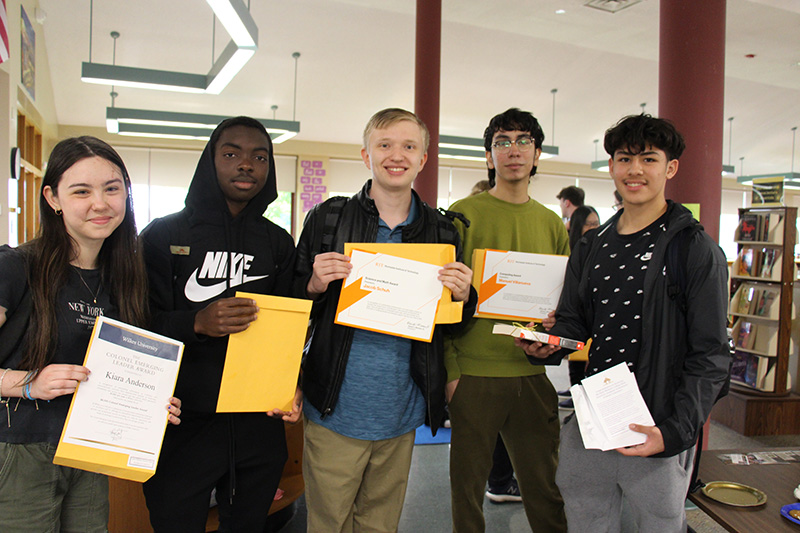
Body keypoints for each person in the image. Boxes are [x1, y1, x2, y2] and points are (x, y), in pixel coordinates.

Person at [520, 114, 730, 531]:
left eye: (649, 159)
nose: (635, 170)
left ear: (670, 168)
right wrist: (547, 343)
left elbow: (711, 356)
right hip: (593, 417)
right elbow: (575, 325)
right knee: (585, 519)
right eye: (624, 158)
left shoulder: (694, 249)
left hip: (657, 422)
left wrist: (673, 433)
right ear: (612, 167)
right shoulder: (591, 245)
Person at [292, 108, 476, 532]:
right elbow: (293, 301)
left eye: (409, 146)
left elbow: (453, 323)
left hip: (401, 408)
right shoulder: (329, 218)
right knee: (328, 523)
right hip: (334, 406)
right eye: (385, 144)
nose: (397, 155)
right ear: (365, 154)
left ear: (424, 158)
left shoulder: (443, 231)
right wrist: (314, 285)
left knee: (380, 525)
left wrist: (465, 297)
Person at [0, 136, 181, 532]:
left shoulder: (124, 279)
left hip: (90, 450)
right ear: (53, 198)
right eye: (81, 191)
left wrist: (151, 404)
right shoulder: (14, 268)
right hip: (18, 450)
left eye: (112, 189)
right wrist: (28, 383)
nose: (100, 203)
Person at [140, 117, 298, 532]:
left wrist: (291, 384)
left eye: (259, 157)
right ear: (210, 161)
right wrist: (197, 323)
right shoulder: (163, 234)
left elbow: (291, 326)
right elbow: (138, 324)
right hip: (182, 424)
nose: (246, 164)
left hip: (257, 424)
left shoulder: (278, 241)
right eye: (232, 154)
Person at [446, 108, 569, 532]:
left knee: (544, 490)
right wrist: (451, 370)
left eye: (523, 141)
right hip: (473, 373)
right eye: (502, 141)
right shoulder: (463, 213)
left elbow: (561, 304)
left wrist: (555, 332)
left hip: (532, 374)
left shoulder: (553, 224)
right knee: (466, 494)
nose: (512, 150)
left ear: (536, 155)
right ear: (488, 156)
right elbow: (442, 299)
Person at [557, 205, 601, 410]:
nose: (594, 227)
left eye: (596, 223)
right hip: (574, 317)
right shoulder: (571, 250)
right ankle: (576, 395)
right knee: (575, 357)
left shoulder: (601, 248)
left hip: (593, 319)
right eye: (589, 224)